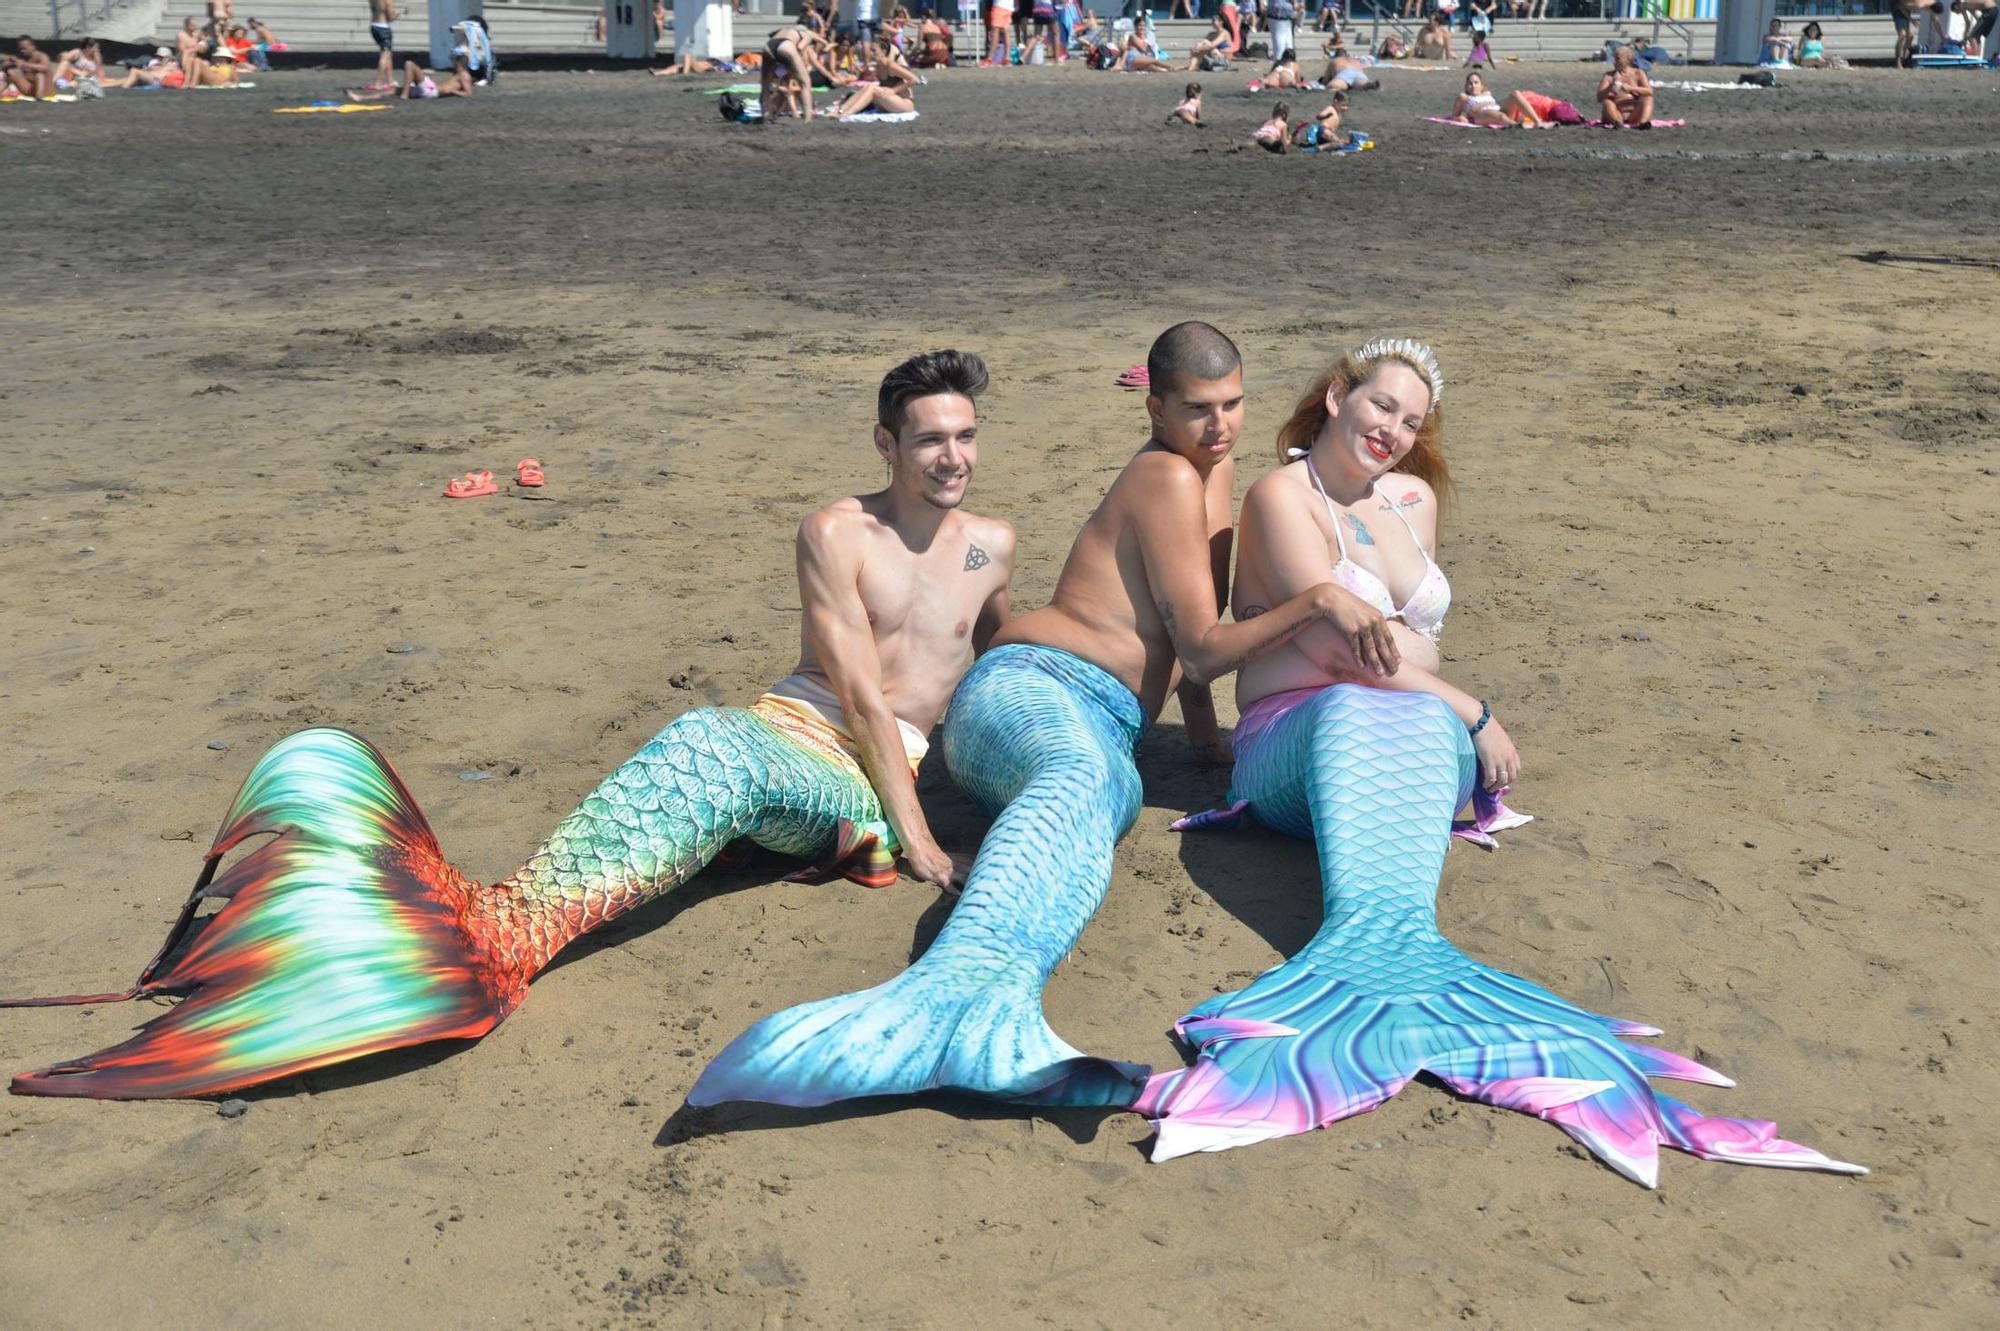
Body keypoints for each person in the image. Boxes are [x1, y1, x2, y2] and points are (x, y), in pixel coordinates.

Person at [5, 352, 1018, 1100]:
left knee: (711, 752)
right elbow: (849, 686)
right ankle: (502, 922)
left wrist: (930, 822)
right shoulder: (837, 530)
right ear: (885, 443)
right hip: (792, 733)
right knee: (708, 743)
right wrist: (923, 833)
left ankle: (496, 938)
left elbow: (1010, 665)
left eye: (964, 435)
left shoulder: (994, 547)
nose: (951, 455)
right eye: (929, 437)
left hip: (850, 782)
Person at [1133, 339, 1866, 1190]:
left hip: (1405, 722)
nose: (1393, 431)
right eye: (1379, 406)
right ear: (1337, 397)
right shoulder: (1279, 495)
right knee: (1357, 702)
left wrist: (1408, 669)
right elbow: (1349, 653)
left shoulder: (1411, 500)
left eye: (1411, 421)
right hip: (1294, 742)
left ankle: (1401, 964)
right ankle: (1368, 961)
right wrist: (1468, 707)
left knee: (1391, 705)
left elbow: (1414, 648)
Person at [690, 322, 1402, 1114]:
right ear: (1156, 410)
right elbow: (1201, 649)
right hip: (1033, 684)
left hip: (1097, 716)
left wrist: (1203, 739)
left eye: (1233, 404)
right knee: (1083, 775)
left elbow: (1184, 607)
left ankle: (995, 1007)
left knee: (1104, 794)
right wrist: (1321, 602)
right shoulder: (1167, 473)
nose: (1220, 424)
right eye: (1199, 409)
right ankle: (944, 995)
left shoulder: (1212, 465)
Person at [761, 22, 840, 121]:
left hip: (768, 47)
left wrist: (780, 72)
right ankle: (808, 119)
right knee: (805, 82)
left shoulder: (786, 30)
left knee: (765, 85)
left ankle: (765, 116)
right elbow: (800, 47)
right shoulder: (806, 35)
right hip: (786, 46)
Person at [346, 53, 474, 99]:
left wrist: (454, 92)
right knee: (392, 90)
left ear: (460, 64)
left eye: (455, 63)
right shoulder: (457, 74)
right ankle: (360, 97)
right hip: (430, 89)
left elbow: (468, 93)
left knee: (409, 64)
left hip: (432, 91)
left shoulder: (464, 75)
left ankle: (405, 94)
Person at [1597, 44, 1654, 127]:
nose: (1614, 62)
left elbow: (1649, 92)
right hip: (1617, 111)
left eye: (1618, 59)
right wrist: (1611, 86)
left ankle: (1643, 123)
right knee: (1607, 102)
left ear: (1628, 60)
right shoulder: (1608, 76)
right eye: (1614, 59)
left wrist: (1631, 89)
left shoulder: (1638, 74)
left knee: (1649, 99)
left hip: (1633, 113)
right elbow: (1599, 97)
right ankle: (1616, 122)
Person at [1502, 85, 1584, 126]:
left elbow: (1515, 95)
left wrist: (1537, 121)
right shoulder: (1511, 114)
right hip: (1552, 108)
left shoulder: (1507, 112)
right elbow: (1515, 95)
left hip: (1551, 108)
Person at [366, 0, 396, 90]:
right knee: (385, 55)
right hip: (383, 28)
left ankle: (391, 80)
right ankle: (377, 82)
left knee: (388, 54)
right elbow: (390, 17)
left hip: (374, 26)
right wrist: (397, 14)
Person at [984, 0, 1014, 65]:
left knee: (995, 30)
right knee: (1005, 31)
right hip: (1009, 6)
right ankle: (1007, 58)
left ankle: (990, 59)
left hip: (999, 6)